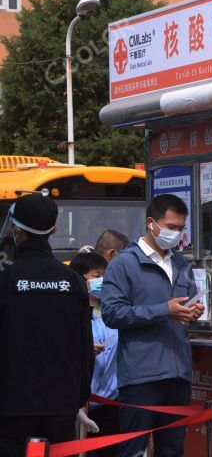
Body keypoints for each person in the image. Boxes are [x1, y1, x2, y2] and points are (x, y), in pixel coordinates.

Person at [101, 195, 204, 457]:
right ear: (151, 223)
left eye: (181, 228)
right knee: (134, 450)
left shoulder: (181, 264)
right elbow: (112, 314)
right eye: (171, 227)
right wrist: (164, 310)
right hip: (141, 376)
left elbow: (183, 305)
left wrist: (192, 312)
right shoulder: (124, 263)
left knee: (172, 449)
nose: (176, 233)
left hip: (178, 374)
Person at [0, 194, 94, 456]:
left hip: (11, 407)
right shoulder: (73, 282)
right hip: (61, 406)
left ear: (17, 230)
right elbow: (85, 347)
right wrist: (77, 397)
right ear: (53, 230)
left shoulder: (6, 281)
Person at [70, 252, 120, 457]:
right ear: (81, 279)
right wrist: (82, 348)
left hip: (113, 402)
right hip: (80, 405)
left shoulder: (113, 312)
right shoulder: (70, 313)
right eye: (97, 275)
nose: (103, 281)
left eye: (105, 275)